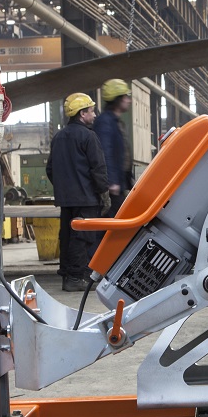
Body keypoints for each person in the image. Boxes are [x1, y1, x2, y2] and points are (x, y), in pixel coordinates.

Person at [46, 93, 111, 292]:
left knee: (67, 236)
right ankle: (76, 278)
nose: (94, 115)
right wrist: (104, 193)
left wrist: (64, 188)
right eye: (91, 111)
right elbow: (98, 168)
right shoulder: (88, 136)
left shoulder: (58, 137)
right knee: (82, 238)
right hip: (86, 198)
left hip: (66, 200)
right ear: (82, 114)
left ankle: (68, 275)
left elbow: (50, 169)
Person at [94, 78, 134, 217]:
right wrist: (112, 181)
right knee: (113, 222)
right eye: (126, 97)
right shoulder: (105, 122)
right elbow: (106, 152)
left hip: (119, 183)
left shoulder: (115, 122)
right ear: (118, 99)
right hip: (112, 187)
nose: (129, 100)